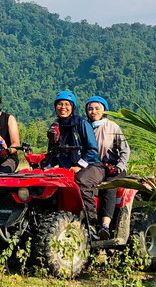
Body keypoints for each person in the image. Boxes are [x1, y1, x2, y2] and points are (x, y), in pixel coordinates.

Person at [45, 91, 104, 235]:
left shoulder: (81, 123)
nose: (63, 107)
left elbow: (92, 150)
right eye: (59, 104)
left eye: (66, 104)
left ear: (72, 107)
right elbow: (52, 152)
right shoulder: (55, 127)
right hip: (67, 168)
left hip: (92, 166)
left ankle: (92, 225)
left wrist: (80, 165)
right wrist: (47, 167)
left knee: (81, 181)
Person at [85, 96, 131, 240]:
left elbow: (125, 150)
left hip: (112, 168)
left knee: (109, 187)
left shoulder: (112, 126)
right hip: (93, 168)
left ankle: (105, 225)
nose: (93, 111)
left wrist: (120, 165)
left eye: (97, 108)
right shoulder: (84, 127)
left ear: (104, 110)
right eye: (90, 109)